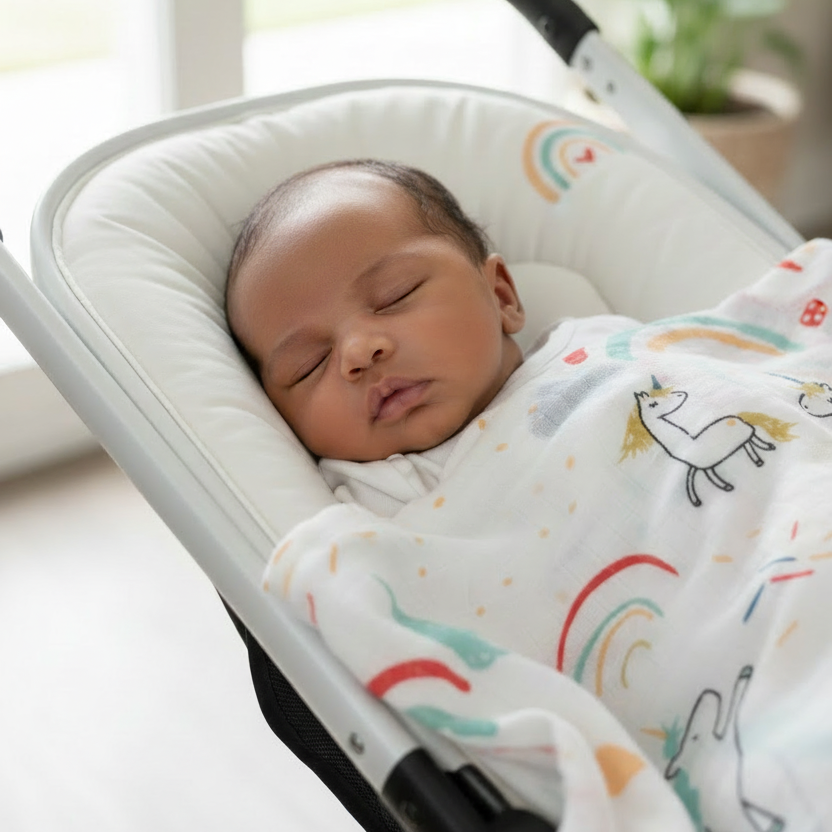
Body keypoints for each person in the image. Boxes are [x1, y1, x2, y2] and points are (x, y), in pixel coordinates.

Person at [225, 159, 527, 464]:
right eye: (310, 365)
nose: (359, 353)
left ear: (500, 296)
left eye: (395, 295)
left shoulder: (561, 358)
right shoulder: (354, 492)